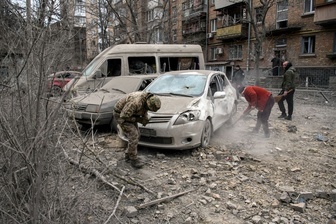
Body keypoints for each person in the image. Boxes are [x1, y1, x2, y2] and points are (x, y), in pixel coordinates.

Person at [113, 92, 161, 168]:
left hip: (131, 114)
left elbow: (144, 110)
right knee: (133, 135)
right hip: (121, 115)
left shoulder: (146, 99)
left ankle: (128, 154)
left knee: (137, 135)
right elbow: (124, 116)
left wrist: (145, 117)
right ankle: (133, 159)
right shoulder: (135, 102)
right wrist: (140, 120)